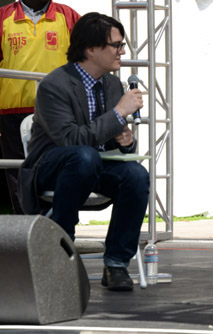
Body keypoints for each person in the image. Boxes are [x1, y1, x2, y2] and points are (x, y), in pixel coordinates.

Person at [19, 12, 150, 292]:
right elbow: (70, 140)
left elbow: (107, 139)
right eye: (116, 45)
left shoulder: (112, 84)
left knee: (136, 175)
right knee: (84, 156)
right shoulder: (54, 85)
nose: (122, 51)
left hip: (92, 165)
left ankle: (116, 263)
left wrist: (125, 141)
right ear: (91, 49)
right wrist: (118, 114)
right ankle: (60, 245)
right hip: (52, 168)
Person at [0, 0, 80, 214]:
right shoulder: (3, 17)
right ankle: (25, 232)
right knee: (18, 171)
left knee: (58, 169)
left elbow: (87, 60)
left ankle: (59, 230)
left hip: (59, 111)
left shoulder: (69, 16)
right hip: (13, 111)